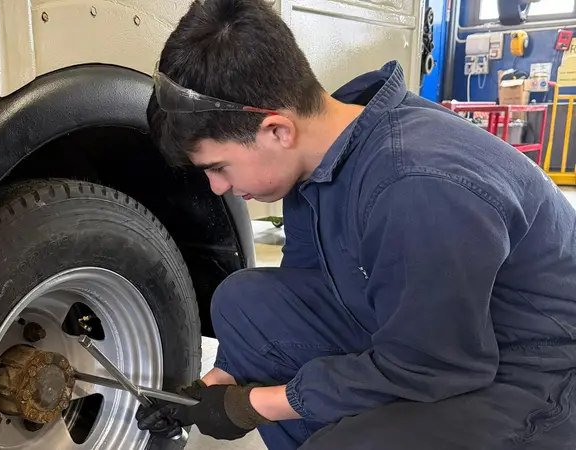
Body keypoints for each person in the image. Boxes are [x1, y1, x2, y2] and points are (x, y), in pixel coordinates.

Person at [134, 0, 576, 448]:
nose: (215, 187)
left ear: (276, 131)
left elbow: (433, 365)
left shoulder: (414, 185)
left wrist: (253, 404)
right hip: (447, 335)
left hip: (539, 372)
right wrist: (207, 391)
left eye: (219, 167)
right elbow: (304, 288)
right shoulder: (322, 155)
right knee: (244, 300)